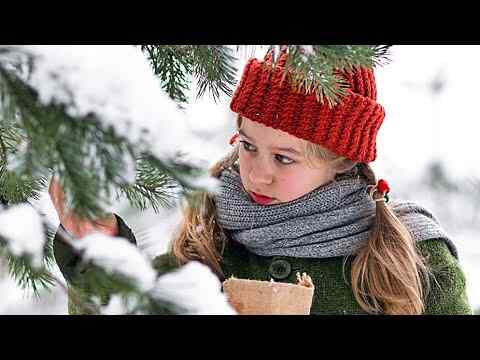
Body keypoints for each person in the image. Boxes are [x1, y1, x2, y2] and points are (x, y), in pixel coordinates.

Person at [51, 49, 473, 315]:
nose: (256, 173)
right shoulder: (206, 245)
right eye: (248, 146)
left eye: (283, 158)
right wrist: (97, 250)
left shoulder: (412, 260)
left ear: (342, 161)